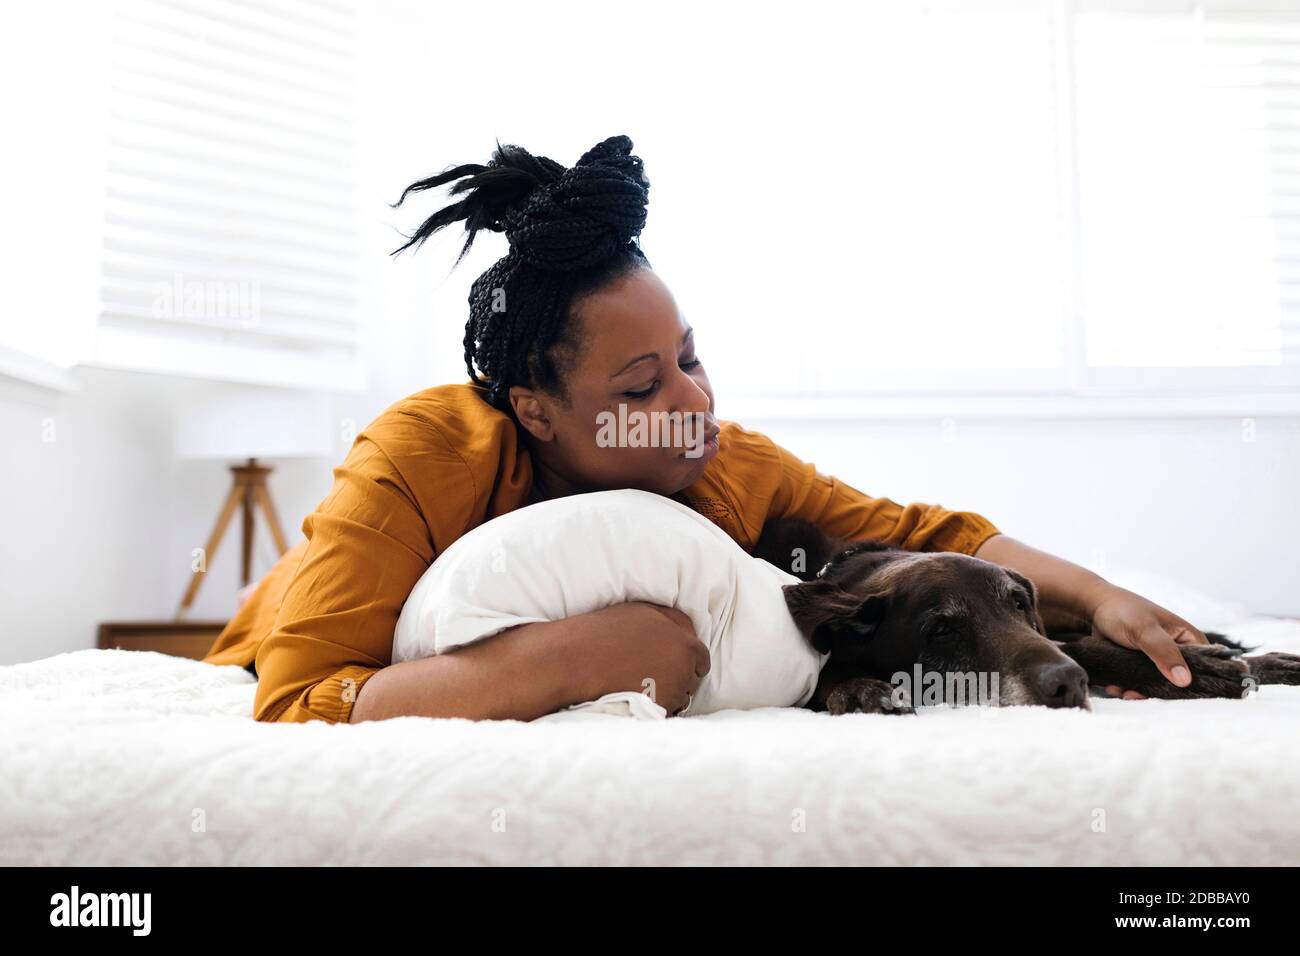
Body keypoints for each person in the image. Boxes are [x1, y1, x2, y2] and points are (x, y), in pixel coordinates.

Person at [202, 134, 1207, 724]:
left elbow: (923, 533)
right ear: (535, 408)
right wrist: (573, 658)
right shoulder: (424, 453)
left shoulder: (727, 470)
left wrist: (1102, 596)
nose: (693, 402)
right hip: (290, 624)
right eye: (641, 387)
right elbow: (300, 699)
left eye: (692, 358)